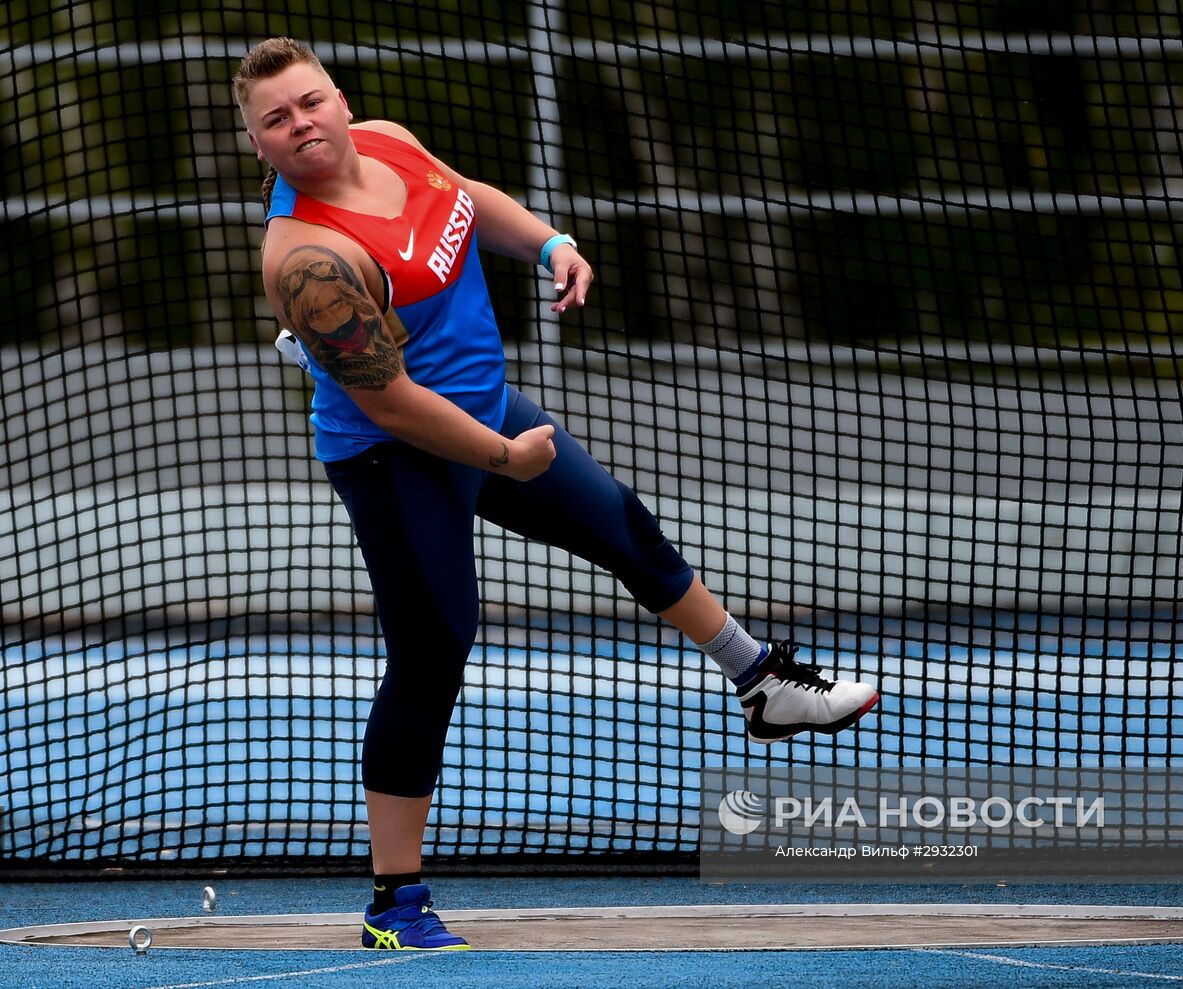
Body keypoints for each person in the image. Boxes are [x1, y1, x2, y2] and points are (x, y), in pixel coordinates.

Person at [233, 38, 878, 950]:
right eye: (276, 119)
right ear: (258, 145)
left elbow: (466, 200)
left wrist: (550, 243)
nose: (300, 124)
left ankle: (761, 682)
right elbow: (392, 402)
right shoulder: (305, 259)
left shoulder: (385, 139)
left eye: (309, 103)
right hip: (397, 453)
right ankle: (394, 901)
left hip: (488, 412)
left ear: (339, 101)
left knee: (622, 522)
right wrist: (501, 455)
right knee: (434, 647)